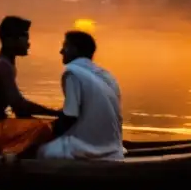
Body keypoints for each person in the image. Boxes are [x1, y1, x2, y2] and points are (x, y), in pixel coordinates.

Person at [0, 16, 60, 155]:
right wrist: (56, 113)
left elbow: (20, 111)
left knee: (43, 127)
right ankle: (11, 154)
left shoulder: (4, 63)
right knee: (43, 128)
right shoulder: (2, 66)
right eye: (25, 38)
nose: (28, 44)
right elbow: (19, 105)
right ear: (10, 41)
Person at [37, 31, 125, 160]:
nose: (61, 51)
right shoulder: (107, 76)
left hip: (89, 148)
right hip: (115, 150)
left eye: (65, 46)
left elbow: (70, 116)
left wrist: (46, 134)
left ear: (75, 50)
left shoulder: (72, 72)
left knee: (42, 150)